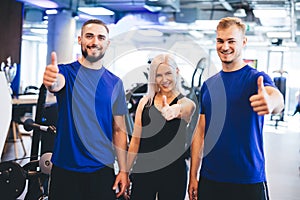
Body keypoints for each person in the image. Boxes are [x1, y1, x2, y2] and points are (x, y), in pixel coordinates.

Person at [188, 17, 284, 200]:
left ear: (244, 42)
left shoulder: (256, 79)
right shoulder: (209, 85)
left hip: (248, 179)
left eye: (231, 41)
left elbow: (277, 98)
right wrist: (193, 175)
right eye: (220, 41)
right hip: (211, 178)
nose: (225, 47)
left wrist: (271, 103)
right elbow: (200, 132)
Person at [43, 19, 129, 200]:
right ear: (80, 39)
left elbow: (119, 130)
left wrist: (123, 170)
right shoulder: (66, 72)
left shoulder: (115, 83)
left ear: (107, 43)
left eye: (100, 37)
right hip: (66, 169)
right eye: (89, 36)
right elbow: (56, 84)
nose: (94, 42)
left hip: (102, 170)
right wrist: (52, 81)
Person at [126, 54, 196, 200]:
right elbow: (135, 143)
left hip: (173, 173)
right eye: (159, 75)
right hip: (144, 169)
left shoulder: (188, 103)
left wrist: (173, 110)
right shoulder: (144, 103)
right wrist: (124, 172)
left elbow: (184, 109)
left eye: (168, 73)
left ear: (177, 72)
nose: (164, 80)